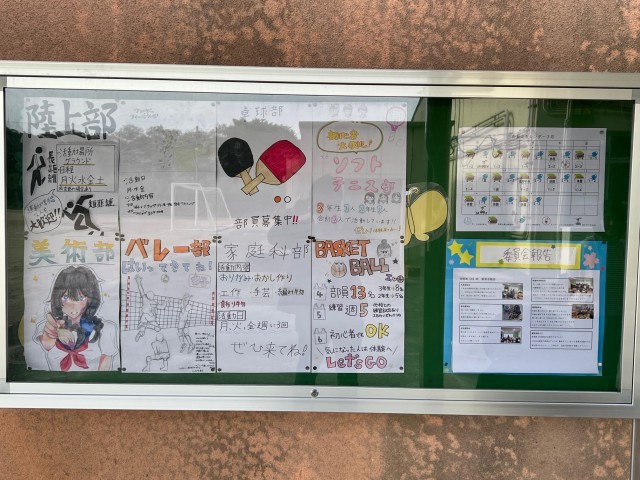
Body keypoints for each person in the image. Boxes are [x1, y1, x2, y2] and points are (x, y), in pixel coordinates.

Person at [36, 265, 118, 371]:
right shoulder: (46, 327)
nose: (73, 305)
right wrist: (57, 331)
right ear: (57, 298)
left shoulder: (105, 329)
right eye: (66, 297)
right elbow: (45, 345)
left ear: (90, 299)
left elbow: (105, 369)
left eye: (81, 298)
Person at [135, 274, 165, 342]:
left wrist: (138, 282)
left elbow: (141, 291)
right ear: (152, 297)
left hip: (147, 319)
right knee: (157, 329)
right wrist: (165, 302)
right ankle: (145, 328)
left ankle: (145, 327)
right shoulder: (151, 302)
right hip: (149, 319)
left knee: (154, 329)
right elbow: (162, 307)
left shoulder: (146, 300)